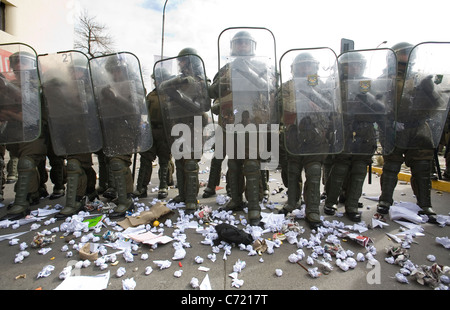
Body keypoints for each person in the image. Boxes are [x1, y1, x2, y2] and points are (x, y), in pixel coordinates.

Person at [209, 30, 276, 226]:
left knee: (252, 164)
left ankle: (254, 206)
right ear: (233, 46)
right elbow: (213, 91)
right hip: (231, 122)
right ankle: (236, 200)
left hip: (255, 122)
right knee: (234, 164)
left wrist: (246, 71)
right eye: (239, 43)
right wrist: (226, 82)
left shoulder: (264, 66)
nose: (242, 46)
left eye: (245, 43)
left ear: (253, 46)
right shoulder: (225, 69)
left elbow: (270, 88)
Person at [377, 42, 441, 223]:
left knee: (422, 168)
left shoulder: (421, 78)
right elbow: (375, 105)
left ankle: (425, 204)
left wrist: (430, 91)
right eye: (402, 54)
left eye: (408, 54)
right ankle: (385, 200)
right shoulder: (384, 79)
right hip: (394, 128)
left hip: (418, 128)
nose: (405, 57)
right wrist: (388, 121)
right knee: (391, 167)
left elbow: (437, 105)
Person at [324, 51, 390, 222]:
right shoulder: (335, 83)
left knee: (359, 170)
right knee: (340, 168)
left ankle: (352, 205)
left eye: (357, 64)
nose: (353, 67)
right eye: (349, 64)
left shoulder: (369, 84)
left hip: (365, 131)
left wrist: (366, 97)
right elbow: (326, 106)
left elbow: (381, 108)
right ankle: (331, 202)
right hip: (344, 130)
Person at [278, 52, 337, 229]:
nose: (305, 69)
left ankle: (312, 209)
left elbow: (332, 109)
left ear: (315, 68)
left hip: (316, 138)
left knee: (313, 173)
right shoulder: (287, 86)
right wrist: (298, 102)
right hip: (294, 136)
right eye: (301, 65)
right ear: (294, 69)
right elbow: (278, 106)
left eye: (308, 65)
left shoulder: (323, 86)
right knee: (292, 171)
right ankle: (292, 202)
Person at [157, 48, 211, 212]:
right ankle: (182, 194)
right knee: (180, 160)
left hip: (194, 126)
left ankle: (191, 198)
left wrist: (192, 84)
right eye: (179, 61)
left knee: (190, 162)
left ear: (190, 62)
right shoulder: (177, 80)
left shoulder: (201, 81)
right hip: (177, 125)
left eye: (182, 61)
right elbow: (162, 87)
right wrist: (177, 83)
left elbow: (206, 104)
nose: (180, 64)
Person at [1, 50, 46, 220]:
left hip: (35, 131)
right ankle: (33, 192)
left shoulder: (38, 85)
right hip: (14, 134)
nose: (19, 66)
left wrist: (12, 114)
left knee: (27, 163)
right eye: (15, 63)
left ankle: (21, 205)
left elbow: (32, 113)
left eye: (23, 62)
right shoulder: (7, 84)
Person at [133, 68, 174, 200]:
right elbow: (143, 112)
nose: (157, 82)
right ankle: (141, 187)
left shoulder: (171, 95)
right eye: (155, 79)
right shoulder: (150, 96)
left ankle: (163, 186)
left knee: (164, 160)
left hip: (165, 131)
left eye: (159, 79)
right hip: (151, 130)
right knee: (145, 159)